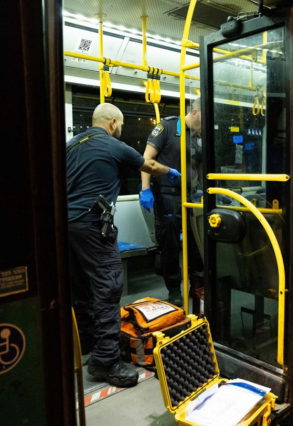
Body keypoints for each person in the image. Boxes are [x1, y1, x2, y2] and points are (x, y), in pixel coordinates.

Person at [66, 103, 180, 388]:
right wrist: (170, 172)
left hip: (66, 226)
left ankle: (89, 344)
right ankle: (106, 363)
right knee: (108, 286)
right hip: (93, 225)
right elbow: (149, 164)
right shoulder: (113, 145)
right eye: (122, 125)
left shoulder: (70, 145)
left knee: (80, 288)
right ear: (114, 123)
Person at [139, 97, 204, 307]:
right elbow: (146, 160)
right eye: (203, 119)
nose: (203, 126)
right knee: (170, 246)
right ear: (195, 113)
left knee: (197, 244)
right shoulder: (167, 127)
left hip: (192, 196)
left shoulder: (198, 137)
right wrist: (145, 189)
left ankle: (198, 287)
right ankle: (174, 290)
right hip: (168, 196)